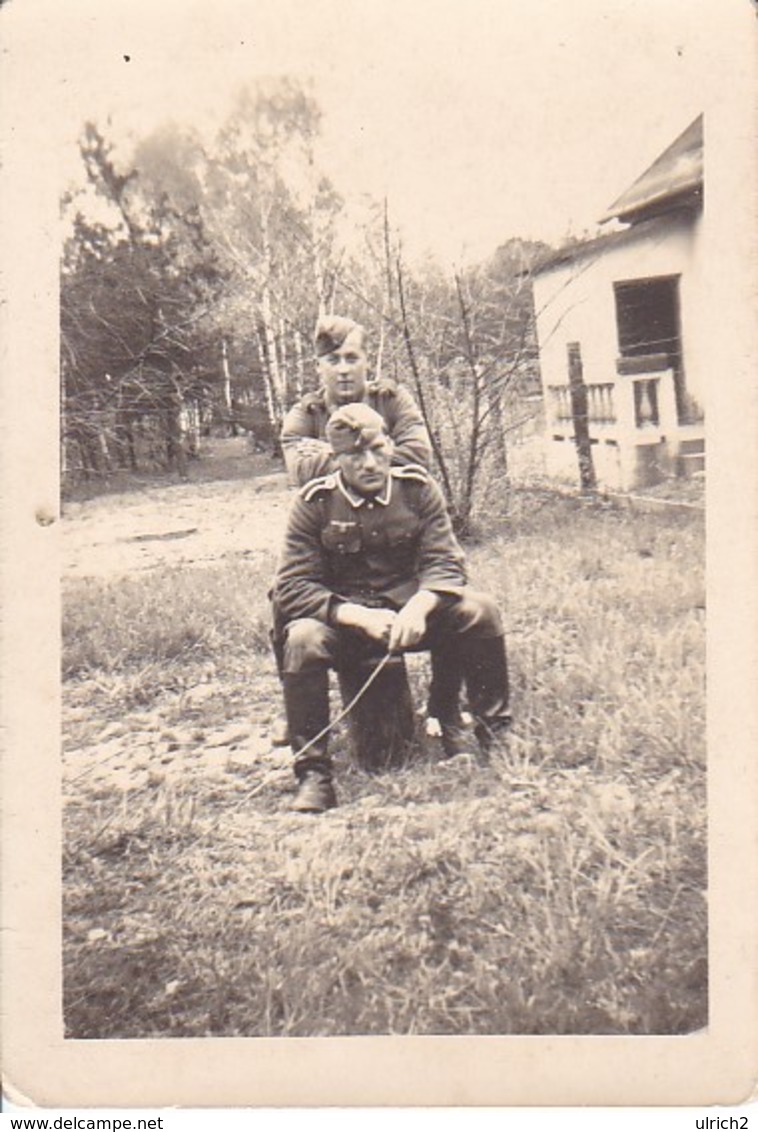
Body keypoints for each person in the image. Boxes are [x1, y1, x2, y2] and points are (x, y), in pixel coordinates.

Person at [271, 403, 512, 813]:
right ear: (336, 458)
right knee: (303, 639)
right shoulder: (314, 502)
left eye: (378, 449)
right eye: (353, 455)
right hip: (346, 622)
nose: (369, 464)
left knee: (480, 611)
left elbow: (446, 562)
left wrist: (420, 606)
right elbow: (291, 587)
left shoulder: (417, 489)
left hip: (410, 617)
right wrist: (355, 616)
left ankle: (498, 738)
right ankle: (313, 775)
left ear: (390, 444)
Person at [280, 315, 432, 486]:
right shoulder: (306, 414)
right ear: (318, 366)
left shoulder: (391, 400)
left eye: (352, 358)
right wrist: (378, 452)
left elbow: (419, 455)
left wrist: (336, 451)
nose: (343, 369)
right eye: (333, 360)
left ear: (367, 361)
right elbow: (301, 472)